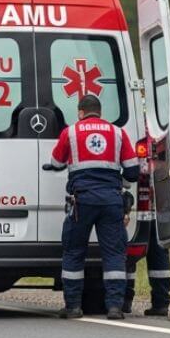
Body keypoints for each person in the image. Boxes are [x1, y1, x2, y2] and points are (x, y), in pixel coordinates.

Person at [43, 94, 140, 320]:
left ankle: (73, 306)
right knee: (115, 254)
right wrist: (120, 179)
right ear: (100, 111)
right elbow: (133, 172)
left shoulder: (71, 132)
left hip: (82, 201)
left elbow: (57, 163)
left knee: (74, 251)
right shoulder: (118, 133)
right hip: (111, 201)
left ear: (80, 112)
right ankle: (115, 307)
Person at [124, 136, 170, 316]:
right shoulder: (162, 133)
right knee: (158, 255)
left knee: (128, 253)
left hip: (139, 208)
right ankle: (161, 304)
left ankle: (125, 301)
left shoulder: (136, 134)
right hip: (158, 208)